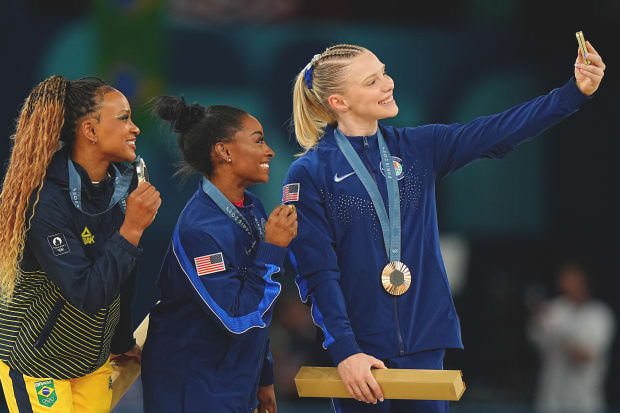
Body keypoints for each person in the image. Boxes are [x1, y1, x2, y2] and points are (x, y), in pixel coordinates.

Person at [283, 42, 605, 412]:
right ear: (339, 102)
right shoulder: (310, 173)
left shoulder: (419, 148)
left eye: (384, 72)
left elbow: (499, 131)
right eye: (372, 81)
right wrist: (345, 350)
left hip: (424, 343)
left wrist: (572, 93)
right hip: (359, 353)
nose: (388, 84)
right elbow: (318, 270)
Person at [0, 75, 161, 413]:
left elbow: (125, 274)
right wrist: (132, 227)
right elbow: (86, 293)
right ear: (90, 131)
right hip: (36, 364)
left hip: (90, 363)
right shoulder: (44, 199)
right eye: (123, 118)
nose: (135, 128)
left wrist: (122, 342)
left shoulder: (124, 181)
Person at [141, 96, 297, 413]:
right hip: (192, 388)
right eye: (258, 141)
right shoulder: (199, 229)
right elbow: (236, 318)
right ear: (224, 151)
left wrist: (263, 378)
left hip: (234, 383)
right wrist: (273, 250)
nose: (270, 151)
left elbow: (258, 315)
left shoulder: (251, 208)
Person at [528, 262, 615, 413]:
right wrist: (538, 317)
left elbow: (584, 357)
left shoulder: (600, 315)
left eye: (570, 278)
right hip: (550, 402)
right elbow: (535, 339)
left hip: (583, 403)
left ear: (583, 280)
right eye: (563, 278)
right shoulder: (554, 309)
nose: (565, 283)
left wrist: (557, 333)